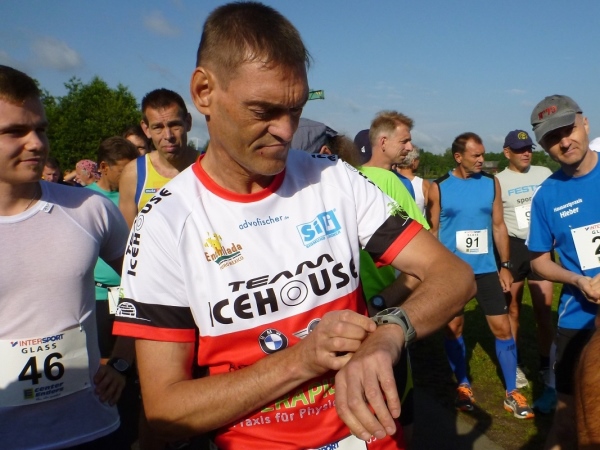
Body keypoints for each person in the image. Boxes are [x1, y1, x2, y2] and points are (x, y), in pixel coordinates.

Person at [113, 3, 475, 449]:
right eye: (263, 110)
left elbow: (453, 275)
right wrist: (301, 360)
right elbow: (165, 410)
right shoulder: (164, 221)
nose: (286, 131)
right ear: (204, 91)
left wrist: (389, 333)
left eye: (296, 110)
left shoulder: (334, 179)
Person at [0, 65, 131, 448]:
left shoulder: (89, 208)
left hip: (93, 427)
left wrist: (123, 360)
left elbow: (150, 287)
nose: (36, 143)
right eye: (15, 131)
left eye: (40, 129)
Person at [427, 132, 535, 419]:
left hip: (487, 269)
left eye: (483, 154)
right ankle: (463, 385)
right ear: (458, 157)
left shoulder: (490, 183)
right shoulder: (439, 187)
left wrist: (506, 265)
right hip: (453, 272)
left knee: (502, 328)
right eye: (475, 155)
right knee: (454, 328)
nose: (481, 160)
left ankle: (512, 392)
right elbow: (433, 233)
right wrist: (433, 272)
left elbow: (498, 226)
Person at [527, 95, 600, 449]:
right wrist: (577, 280)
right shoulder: (546, 195)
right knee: (569, 422)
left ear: (585, 123)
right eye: (552, 138)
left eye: (568, 130)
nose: (564, 142)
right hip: (579, 321)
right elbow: (538, 260)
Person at [495, 129, 556, 412]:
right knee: (513, 310)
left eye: (529, 148)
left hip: (541, 246)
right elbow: (496, 221)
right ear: (507, 152)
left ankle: (546, 364)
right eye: (520, 149)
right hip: (515, 248)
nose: (526, 153)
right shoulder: (498, 180)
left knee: (544, 310)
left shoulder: (544, 173)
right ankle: (515, 363)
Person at [118, 88, 198, 228]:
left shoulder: (212, 166)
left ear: (188, 122)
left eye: (174, 125)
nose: (168, 136)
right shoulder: (134, 174)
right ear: (146, 129)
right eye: (158, 127)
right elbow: (128, 237)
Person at [359, 117, 416, 199]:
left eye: (409, 141)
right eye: (404, 141)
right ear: (383, 142)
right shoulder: (353, 177)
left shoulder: (405, 183)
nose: (410, 148)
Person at [394, 147, 430, 215]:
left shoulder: (391, 180)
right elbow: (431, 211)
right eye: (418, 160)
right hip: (418, 221)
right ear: (414, 161)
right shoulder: (423, 184)